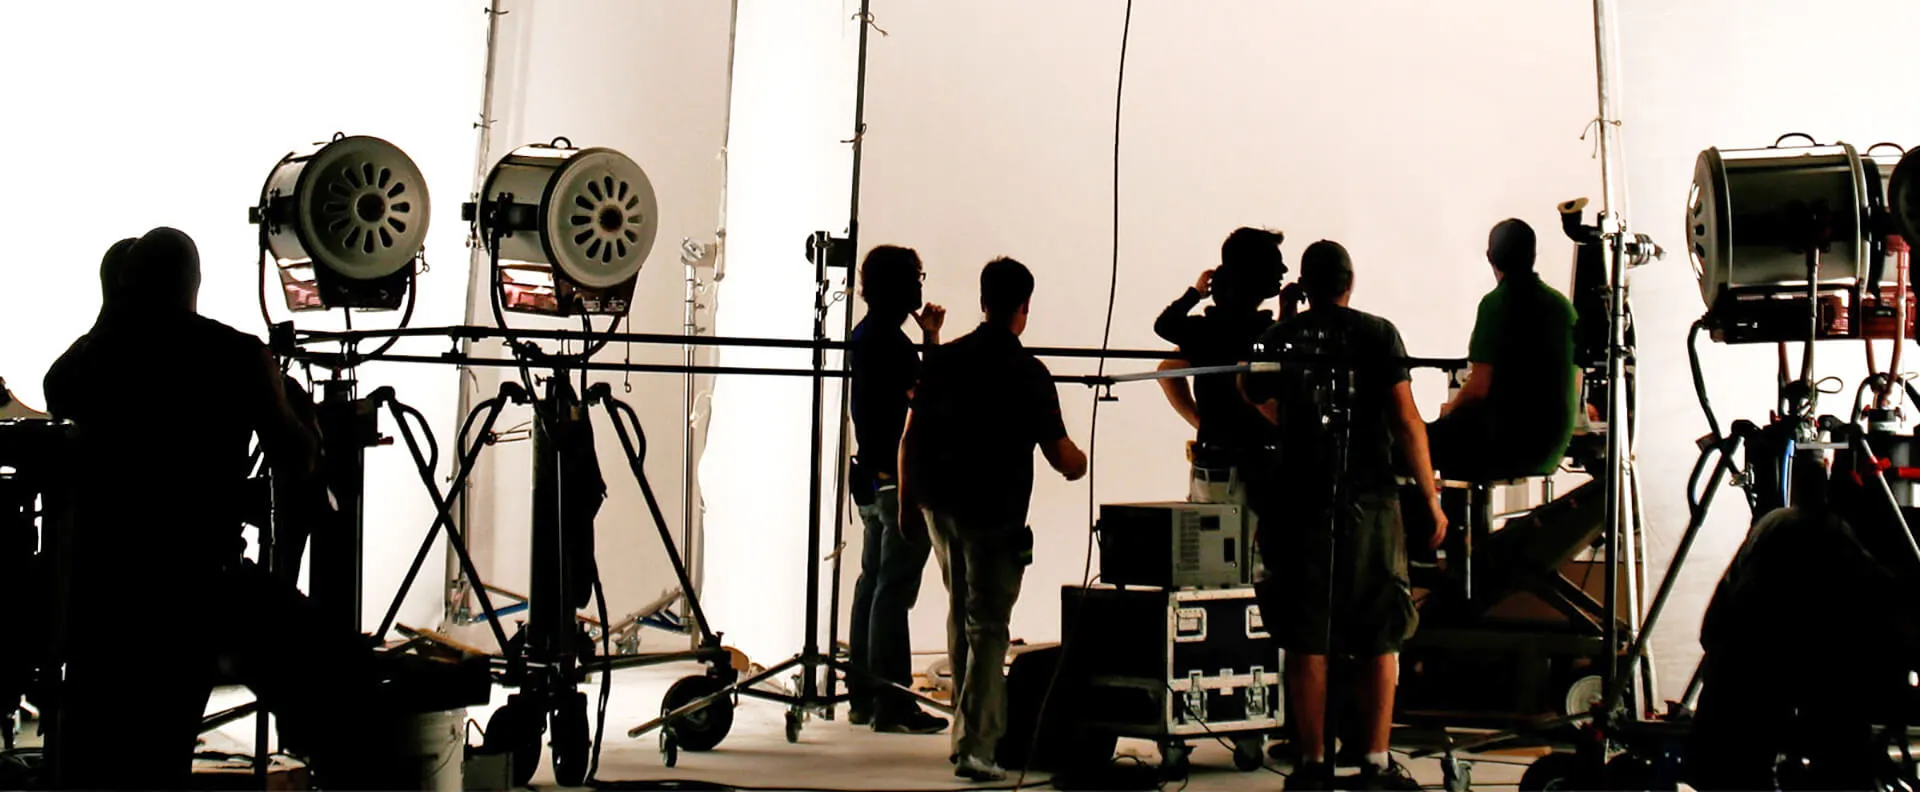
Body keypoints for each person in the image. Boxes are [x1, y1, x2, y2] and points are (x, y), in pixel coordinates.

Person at [41, 228, 402, 789]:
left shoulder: (84, 366)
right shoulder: (236, 355)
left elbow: (61, 396)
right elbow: (297, 460)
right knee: (340, 667)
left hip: (103, 595)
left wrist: (113, 314)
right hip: (200, 589)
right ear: (194, 283)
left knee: (115, 748)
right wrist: (299, 414)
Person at [1240, 240, 1445, 791]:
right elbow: (1406, 419)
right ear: (1350, 283)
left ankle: (1311, 764)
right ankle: (1376, 761)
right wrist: (1430, 496)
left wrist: (1284, 323)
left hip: (1299, 502)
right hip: (1370, 501)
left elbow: (1250, 388)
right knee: (1380, 630)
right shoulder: (1379, 333)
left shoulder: (1279, 337)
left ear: (1305, 286)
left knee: (1307, 633)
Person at [899, 257, 1088, 781]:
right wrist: (1081, 464)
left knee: (961, 614)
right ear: (1024, 306)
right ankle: (977, 747)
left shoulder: (945, 360)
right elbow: (1062, 455)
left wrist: (908, 504)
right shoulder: (1029, 373)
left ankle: (966, 735)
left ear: (983, 301)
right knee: (987, 627)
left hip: (942, 508)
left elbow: (912, 436)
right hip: (995, 515)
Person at [844, 244, 948, 734]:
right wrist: (932, 340)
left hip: (870, 476)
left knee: (872, 583)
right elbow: (932, 397)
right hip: (897, 482)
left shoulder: (865, 335)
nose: (921, 286)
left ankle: (864, 697)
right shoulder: (893, 343)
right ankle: (893, 703)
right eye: (916, 277)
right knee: (893, 590)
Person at [1428, 219, 1580, 481]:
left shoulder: (1497, 304)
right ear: (1534, 255)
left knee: (1411, 444)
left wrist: (1449, 410)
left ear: (1490, 257)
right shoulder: (1562, 306)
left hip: (1508, 445)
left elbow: (1478, 387)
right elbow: (1575, 380)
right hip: (1552, 447)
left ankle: (1439, 509)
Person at [1153, 227, 1286, 509]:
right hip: (1258, 466)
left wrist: (1194, 293)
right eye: (1276, 264)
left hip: (1213, 465)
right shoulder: (1266, 334)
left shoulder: (1207, 330)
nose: (1283, 270)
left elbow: (1165, 348)